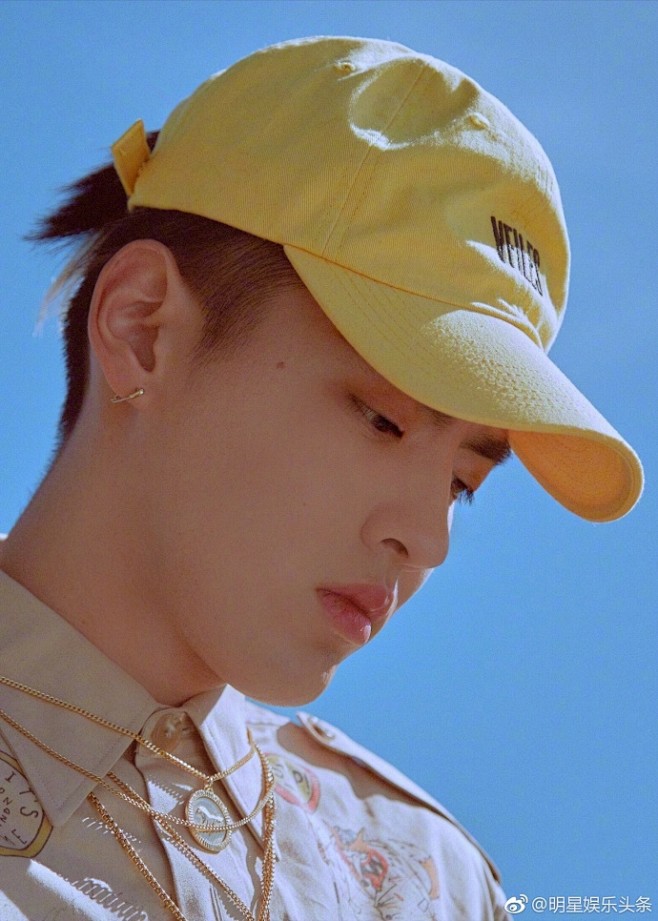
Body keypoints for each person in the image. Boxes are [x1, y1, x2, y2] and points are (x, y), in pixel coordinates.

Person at [0, 35, 643, 921]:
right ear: (142, 328)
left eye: (463, 483)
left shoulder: (436, 884)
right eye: (383, 419)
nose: (429, 539)